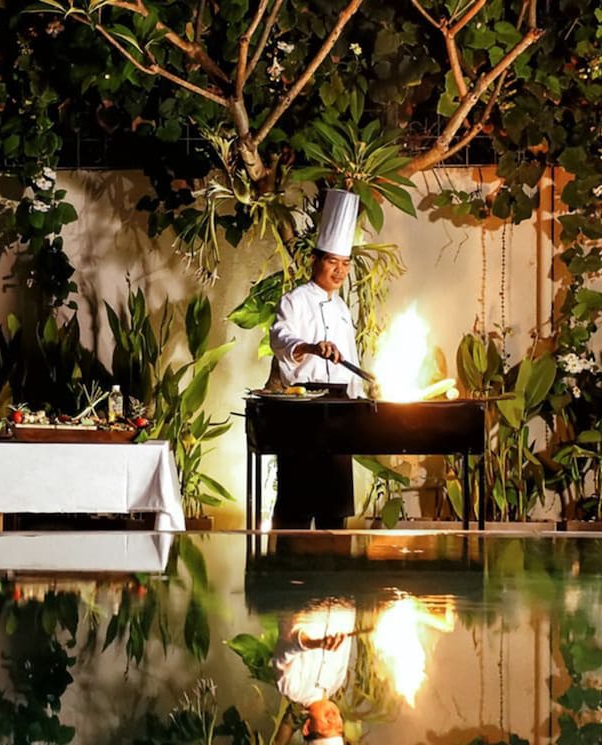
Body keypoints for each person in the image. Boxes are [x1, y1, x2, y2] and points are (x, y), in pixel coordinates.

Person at [268, 189, 363, 529]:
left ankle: (334, 560)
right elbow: (280, 338)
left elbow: (351, 359)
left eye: (345, 264)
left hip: (339, 410)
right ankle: (286, 558)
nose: (340, 271)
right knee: (296, 504)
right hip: (303, 410)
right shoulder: (294, 301)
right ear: (314, 260)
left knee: (334, 508)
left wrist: (359, 398)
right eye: (333, 262)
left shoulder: (342, 309)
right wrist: (310, 347)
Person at [271, 597, 354, 745]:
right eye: (338, 728)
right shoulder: (336, 682)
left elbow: (285, 646)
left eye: (327, 727)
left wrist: (314, 643)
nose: (333, 719)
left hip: (305, 596)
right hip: (342, 597)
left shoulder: (292, 689)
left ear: (307, 728)